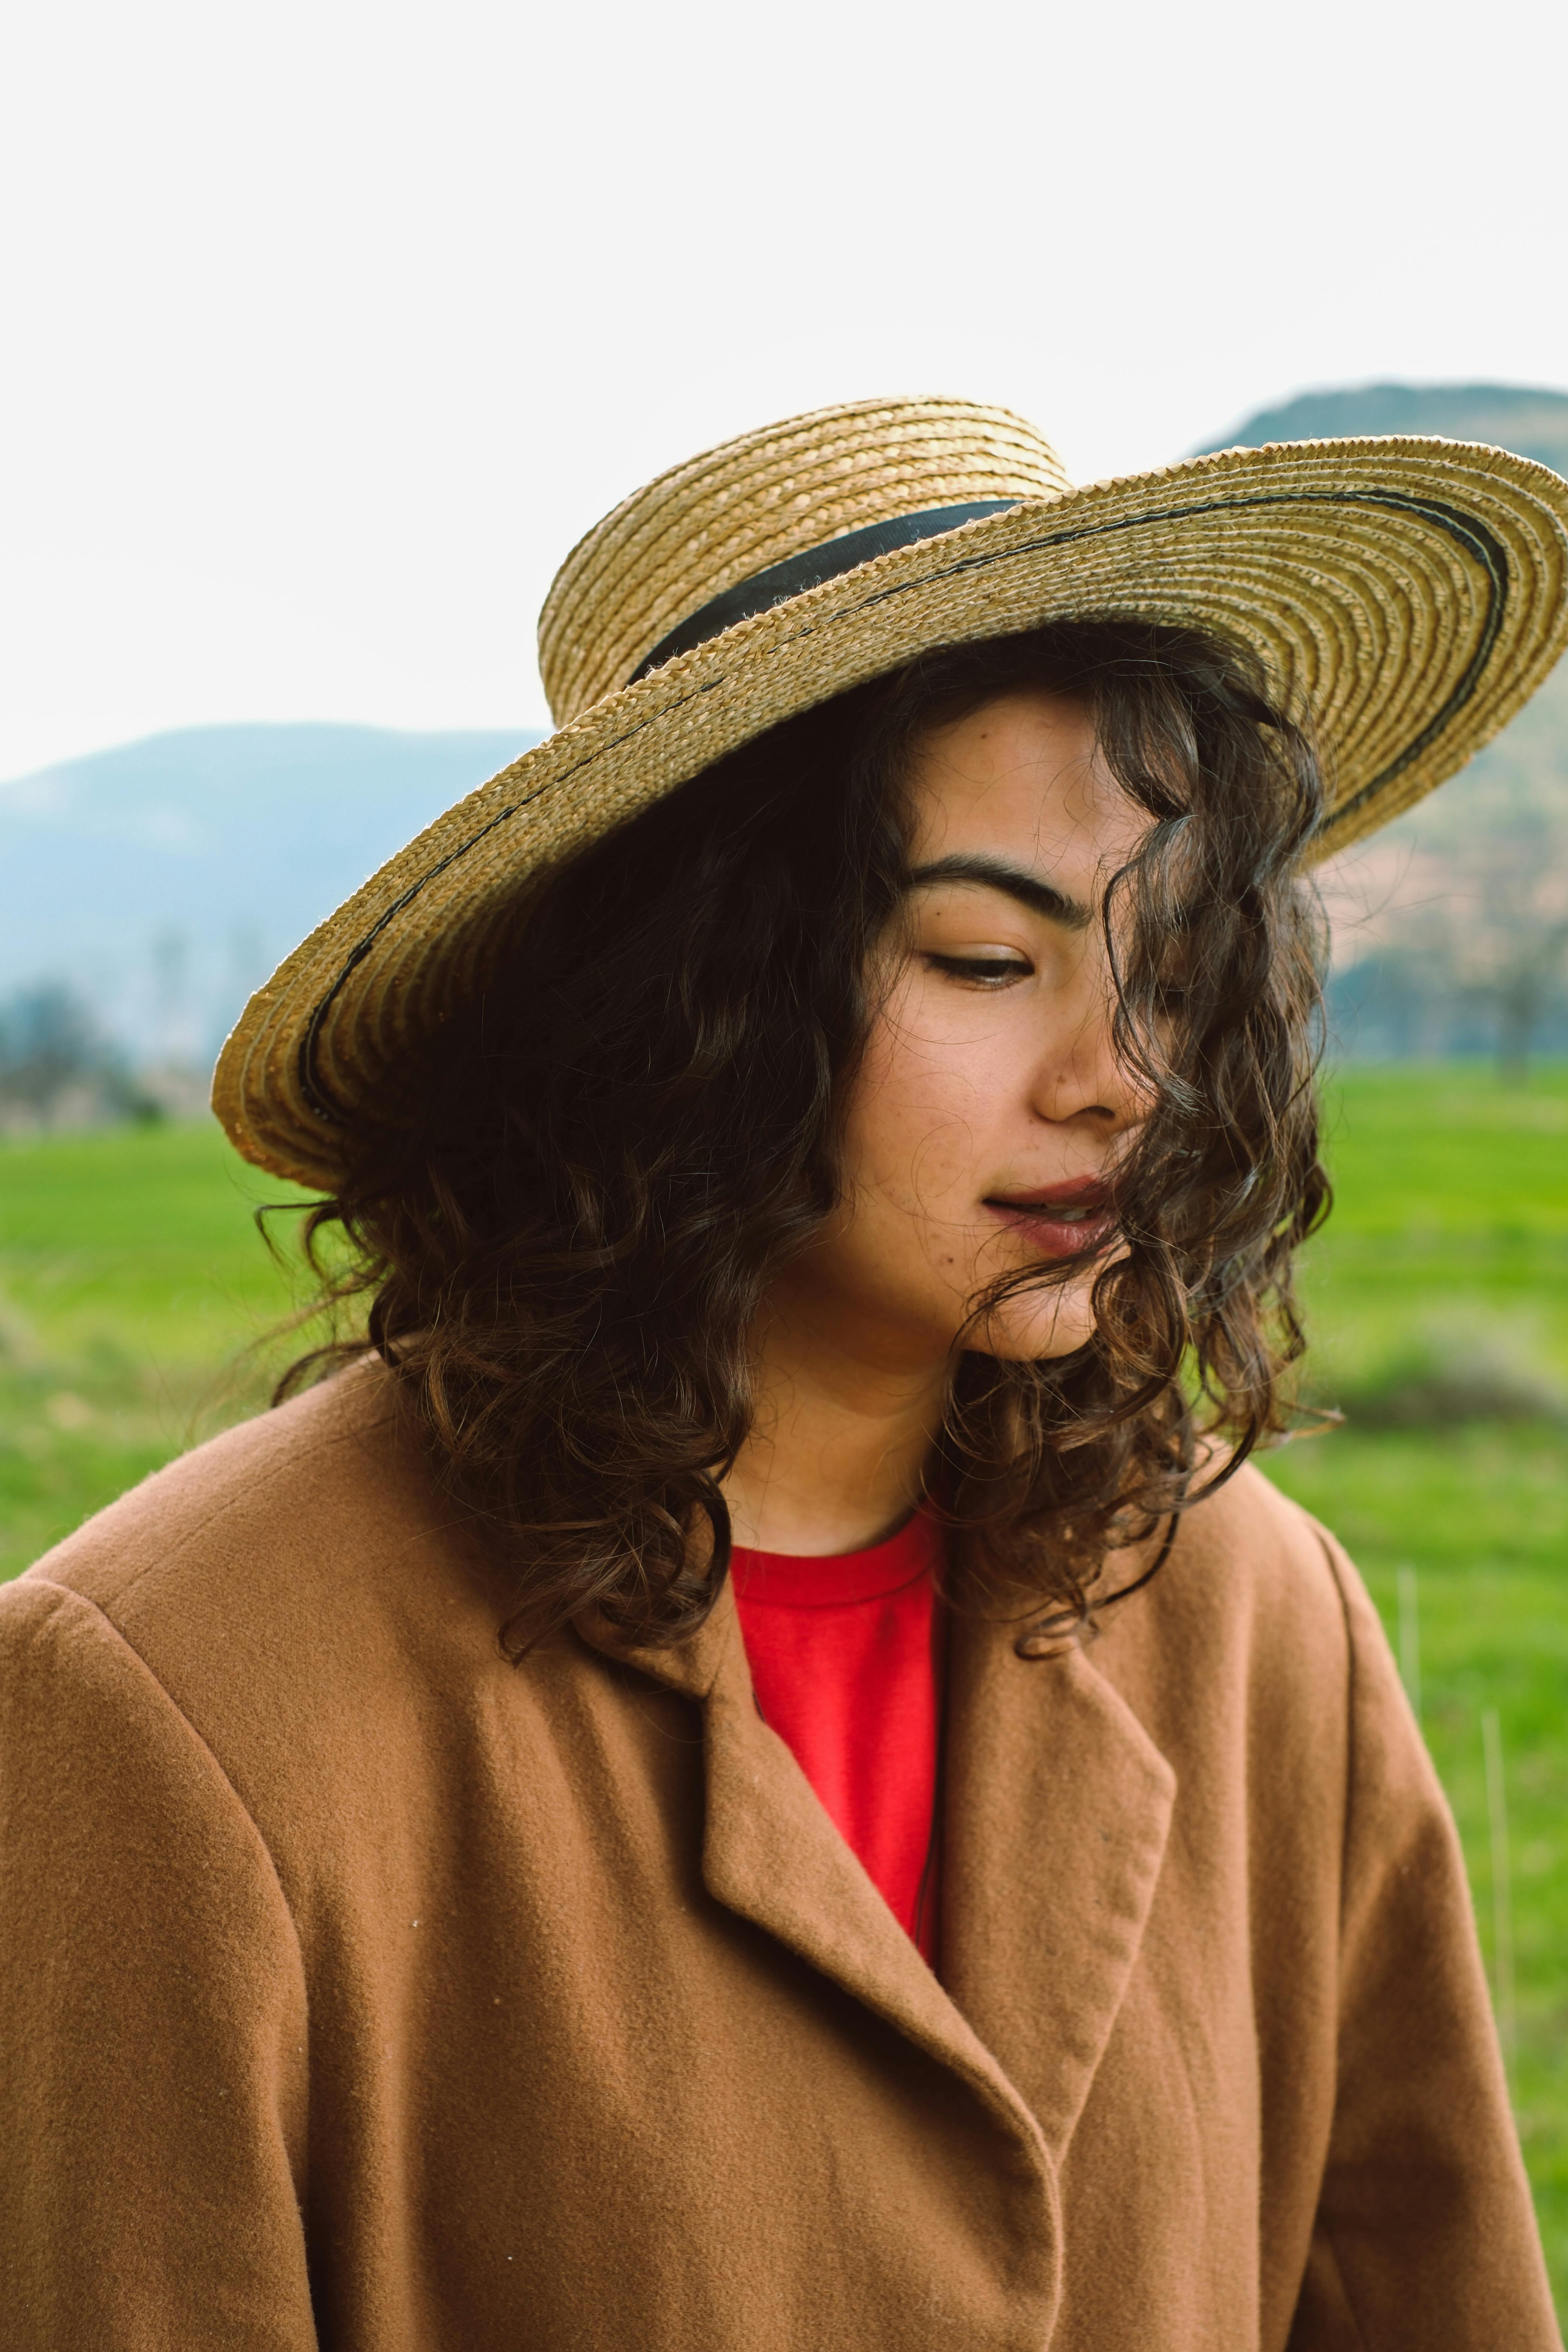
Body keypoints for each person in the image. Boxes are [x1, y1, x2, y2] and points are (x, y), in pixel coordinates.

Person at [3, 398, 1565, 2349]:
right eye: (988, 963)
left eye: (1166, 965)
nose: (1123, 1077)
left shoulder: (1265, 1628)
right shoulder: (175, 1703)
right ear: (691, 997)